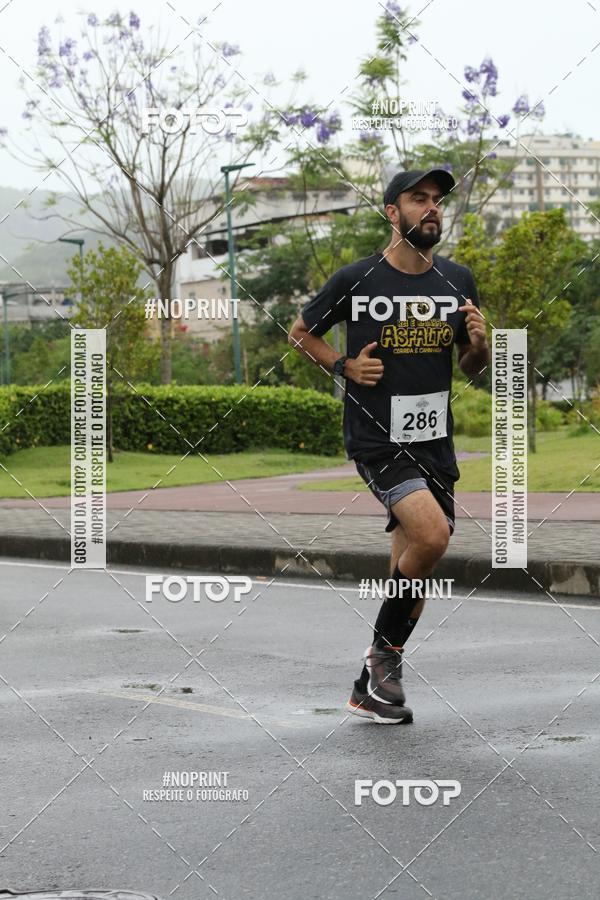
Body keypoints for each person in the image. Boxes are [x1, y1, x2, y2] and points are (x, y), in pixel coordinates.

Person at [288, 168, 489, 724]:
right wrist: (344, 365)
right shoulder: (358, 278)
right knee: (433, 534)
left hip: (435, 443)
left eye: (437, 201)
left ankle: (367, 688)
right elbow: (301, 332)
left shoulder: (457, 280)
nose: (432, 209)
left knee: (413, 562)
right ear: (390, 212)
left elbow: (470, 367)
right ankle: (384, 657)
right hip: (378, 438)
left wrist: (481, 347)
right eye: (418, 199)